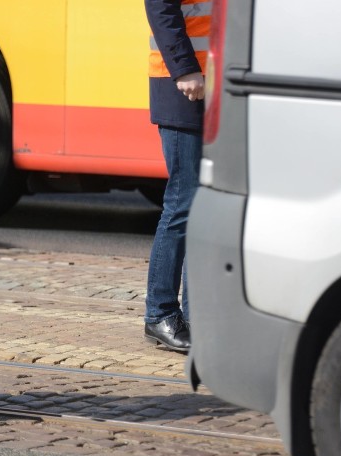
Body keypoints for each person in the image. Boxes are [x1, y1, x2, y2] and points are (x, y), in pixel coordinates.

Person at [142, 0, 211, 353]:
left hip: (212, 85)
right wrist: (184, 68)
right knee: (184, 202)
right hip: (183, 86)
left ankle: (197, 317)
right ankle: (160, 313)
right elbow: (160, 8)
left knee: (202, 207)